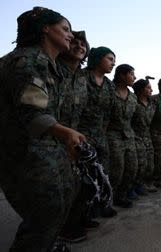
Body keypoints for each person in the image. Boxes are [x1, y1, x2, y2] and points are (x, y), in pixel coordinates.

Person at [0, 7, 84, 252]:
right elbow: (33, 114)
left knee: (65, 195)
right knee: (45, 211)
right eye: (65, 29)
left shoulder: (49, 64)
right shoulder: (27, 60)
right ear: (46, 29)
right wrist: (67, 133)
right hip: (21, 150)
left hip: (44, 145)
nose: (70, 36)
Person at [57, 30, 96, 243]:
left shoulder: (81, 77)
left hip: (74, 136)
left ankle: (75, 220)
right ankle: (59, 229)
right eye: (75, 42)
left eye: (83, 44)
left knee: (80, 182)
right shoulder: (53, 68)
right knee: (58, 187)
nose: (79, 47)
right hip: (51, 136)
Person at [77, 46, 117, 218]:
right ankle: (83, 213)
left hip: (101, 135)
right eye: (109, 59)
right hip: (81, 135)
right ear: (97, 58)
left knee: (103, 172)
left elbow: (109, 112)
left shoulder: (109, 85)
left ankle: (102, 204)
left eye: (114, 60)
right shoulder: (81, 77)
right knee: (84, 176)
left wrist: (104, 131)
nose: (113, 63)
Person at [108, 64, 138, 207]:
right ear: (121, 75)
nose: (134, 77)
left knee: (132, 168)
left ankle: (121, 195)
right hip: (112, 135)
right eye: (131, 74)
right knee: (116, 170)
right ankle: (108, 199)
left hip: (129, 136)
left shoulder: (133, 97)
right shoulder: (108, 90)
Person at [132, 77, 158, 193]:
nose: (151, 90)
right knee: (140, 163)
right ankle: (136, 185)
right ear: (141, 90)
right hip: (136, 137)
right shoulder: (133, 102)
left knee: (150, 163)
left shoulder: (152, 103)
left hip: (148, 137)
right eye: (148, 88)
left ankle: (146, 183)